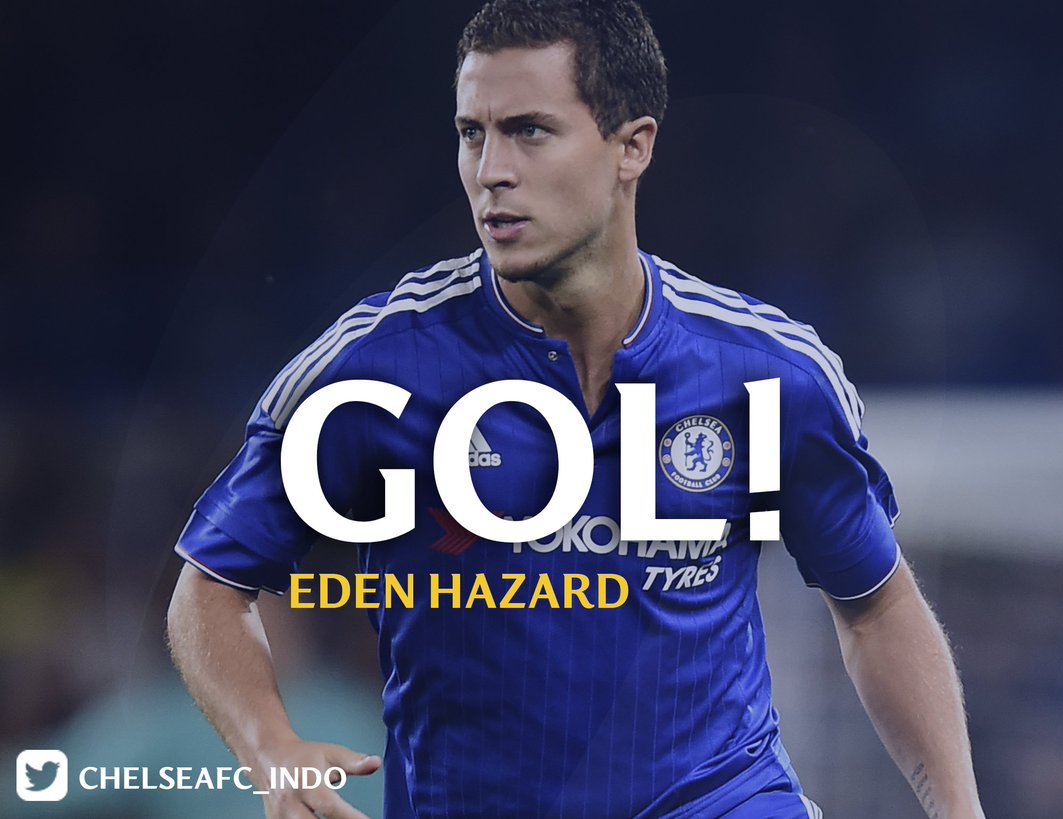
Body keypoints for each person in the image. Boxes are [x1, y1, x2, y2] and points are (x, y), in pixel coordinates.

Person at [167, 1, 987, 817]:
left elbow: (875, 605)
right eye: (472, 134)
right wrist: (272, 750)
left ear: (633, 147)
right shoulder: (374, 370)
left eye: (529, 130)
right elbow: (209, 587)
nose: (491, 170)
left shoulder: (767, 375)